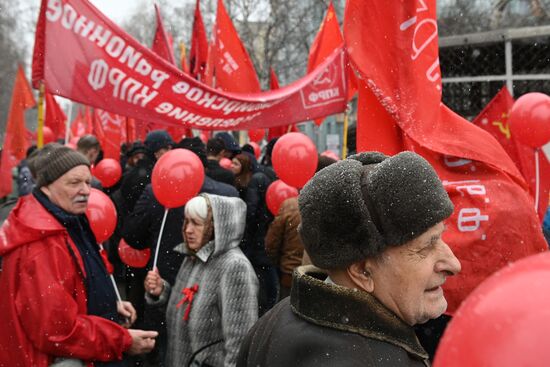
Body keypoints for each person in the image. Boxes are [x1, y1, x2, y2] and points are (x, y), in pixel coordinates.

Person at [237, 151, 461, 367]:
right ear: (363, 271)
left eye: (440, 238)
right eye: (425, 247)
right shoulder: (359, 358)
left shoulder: (273, 321)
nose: (454, 264)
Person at [0, 144, 157, 367]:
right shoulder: (40, 245)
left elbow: (80, 280)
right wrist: (122, 340)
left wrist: (110, 305)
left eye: (87, 182)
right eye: (74, 183)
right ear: (46, 187)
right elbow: (57, 331)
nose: (85, 190)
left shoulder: (69, 220)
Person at [144, 194, 258, 367]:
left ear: (215, 227)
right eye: (187, 221)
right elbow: (189, 307)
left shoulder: (235, 267)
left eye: (196, 223)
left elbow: (240, 344)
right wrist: (162, 291)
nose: (188, 229)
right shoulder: (194, 256)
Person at [265, 155, 337, 299]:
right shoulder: (336, 208)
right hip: (327, 281)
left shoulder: (291, 205)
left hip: (291, 276)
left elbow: (271, 244)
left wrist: (279, 265)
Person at [231, 153, 277, 315]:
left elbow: (251, 209)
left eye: (235, 163)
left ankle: (264, 302)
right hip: (265, 228)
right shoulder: (264, 174)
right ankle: (270, 301)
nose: (231, 166)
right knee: (267, 266)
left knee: (261, 266)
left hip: (257, 231)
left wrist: (245, 226)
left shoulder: (255, 180)